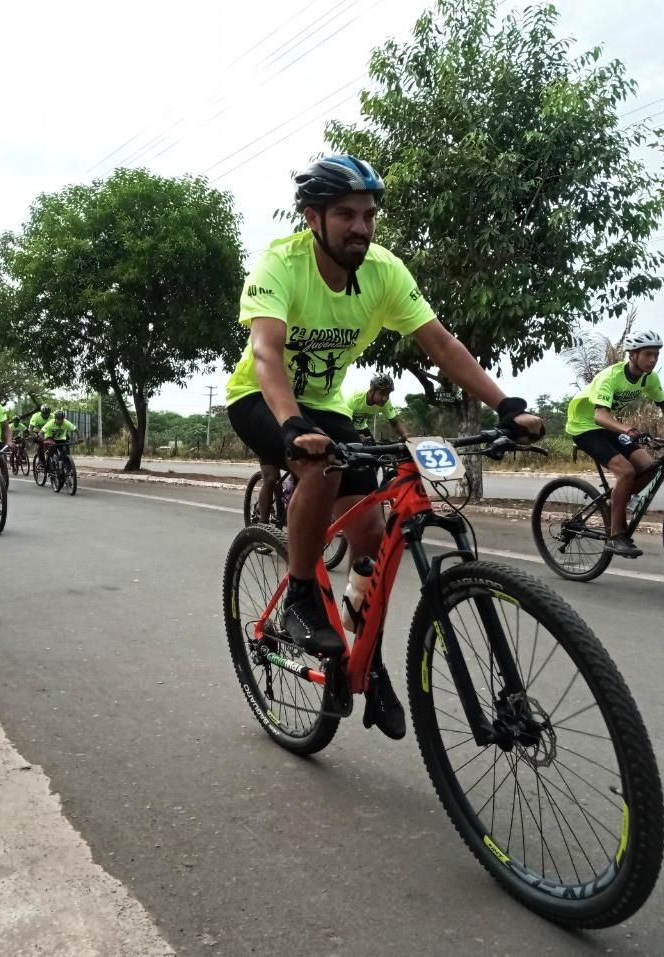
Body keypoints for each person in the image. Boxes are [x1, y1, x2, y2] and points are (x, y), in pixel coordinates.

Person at [224, 155, 543, 741]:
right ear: (312, 218)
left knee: (372, 530)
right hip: (263, 399)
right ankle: (298, 596)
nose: (361, 227)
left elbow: (441, 343)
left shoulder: (385, 273)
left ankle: (359, 659)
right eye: (345, 214)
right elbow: (268, 353)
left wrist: (506, 404)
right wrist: (292, 427)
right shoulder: (281, 265)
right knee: (318, 468)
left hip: (328, 408)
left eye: (369, 215)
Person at [565, 330, 664, 558]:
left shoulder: (649, 379)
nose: (653, 360)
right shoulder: (611, 377)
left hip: (609, 427)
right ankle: (616, 536)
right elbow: (600, 416)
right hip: (584, 427)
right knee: (626, 472)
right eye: (648, 354)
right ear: (633, 355)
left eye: (656, 355)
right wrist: (628, 429)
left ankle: (618, 499)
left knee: (650, 467)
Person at [346, 373, 409, 442]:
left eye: (388, 394)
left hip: (362, 428)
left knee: (374, 449)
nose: (385, 398)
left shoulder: (385, 402)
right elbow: (343, 423)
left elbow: (395, 422)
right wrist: (355, 436)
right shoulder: (353, 398)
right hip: (345, 427)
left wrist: (406, 435)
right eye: (382, 393)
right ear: (371, 391)